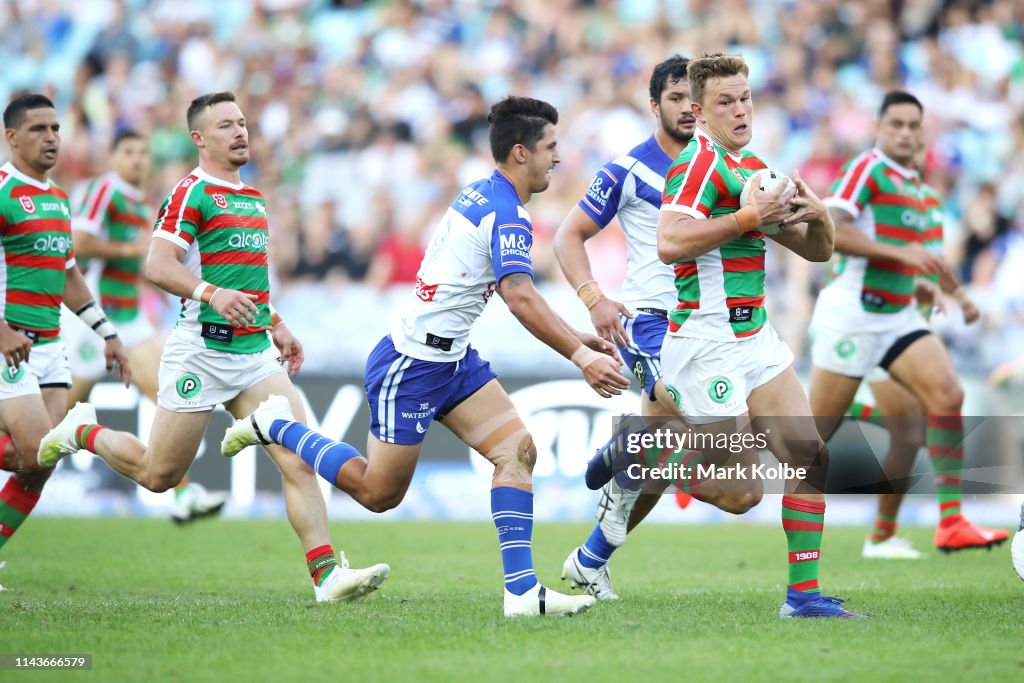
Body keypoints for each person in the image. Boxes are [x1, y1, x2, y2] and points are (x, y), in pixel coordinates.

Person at [221, 96, 631, 617]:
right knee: (377, 493)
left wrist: (576, 335)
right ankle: (277, 426)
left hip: (453, 361)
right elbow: (520, 296)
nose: (560, 158)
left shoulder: (486, 194)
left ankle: (523, 594)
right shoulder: (506, 215)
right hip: (411, 364)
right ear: (521, 153)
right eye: (552, 147)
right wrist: (578, 353)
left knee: (517, 451)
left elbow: (508, 291)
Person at [36, 92, 389, 603]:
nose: (240, 132)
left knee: (298, 459)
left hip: (253, 357)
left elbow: (249, 282)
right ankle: (81, 430)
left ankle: (326, 575)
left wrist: (277, 323)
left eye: (243, 123)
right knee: (160, 476)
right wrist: (210, 294)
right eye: (226, 125)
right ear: (199, 139)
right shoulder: (191, 191)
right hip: (200, 351)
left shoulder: (253, 198)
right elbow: (157, 266)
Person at [592, 52, 866, 618]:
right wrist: (747, 219)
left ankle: (803, 597)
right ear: (699, 110)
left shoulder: (755, 168)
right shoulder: (695, 164)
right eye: (726, 101)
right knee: (741, 494)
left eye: (745, 98)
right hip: (706, 340)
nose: (740, 110)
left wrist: (819, 216)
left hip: (755, 337)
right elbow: (669, 242)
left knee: (810, 455)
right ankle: (642, 452)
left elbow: (817, 253)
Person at [808, 91, 1007, 554]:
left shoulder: (922, 196)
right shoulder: (868, 168)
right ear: (880, 127)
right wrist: (905, 258)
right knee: (808, 442)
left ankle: (949, 521)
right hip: (854, 316)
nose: (904, 132)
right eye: (895, 124)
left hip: (897, 317)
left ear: (922, 133)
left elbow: (918, 260)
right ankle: (707, 459)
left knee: (944, 397)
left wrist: (941, 291)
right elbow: (831, 230)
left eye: (912, 126)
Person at [553, 55, 696, 600]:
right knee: (697, 432)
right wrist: (594, 300)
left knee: (658, 460)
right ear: (654, 103)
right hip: (653, 324)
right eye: (676, 98)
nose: (687, 108)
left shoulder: (724, 168)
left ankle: (591, 559)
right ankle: (630, 446)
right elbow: (568, 236)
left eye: (693, 98)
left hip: (710, 325)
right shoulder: (627, 170)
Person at [64, 130, 228, 524]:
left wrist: (149, 299)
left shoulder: (143, 203)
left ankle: (183, 491)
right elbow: (78, 244)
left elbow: (141, 263)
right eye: (129, 151)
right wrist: (128, 249)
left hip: (129, 318)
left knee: (164, 392)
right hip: (94, 318)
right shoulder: (107, 190)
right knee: (58, 412)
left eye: (143, 152)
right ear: (114, 155)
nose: (138, 159)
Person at [0, 93, 131, 557]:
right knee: (35, 448)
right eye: (39, 129)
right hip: (9, 344)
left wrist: (108, 334)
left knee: (39, 465)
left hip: (51, 347)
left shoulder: (58, 199)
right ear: (12, 137)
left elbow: (68, 274)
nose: (51, 137)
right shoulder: (1, 189)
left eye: (55, 128)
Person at [840, 149, 983, 559]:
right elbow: (852, 251)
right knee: (909, 431)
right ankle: (886, 534)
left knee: (911, 433)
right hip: (874, 325)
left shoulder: (932, 209)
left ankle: (883, 535)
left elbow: (930, 263)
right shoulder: (877, 199)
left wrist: (957, 294)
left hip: (910, 326)